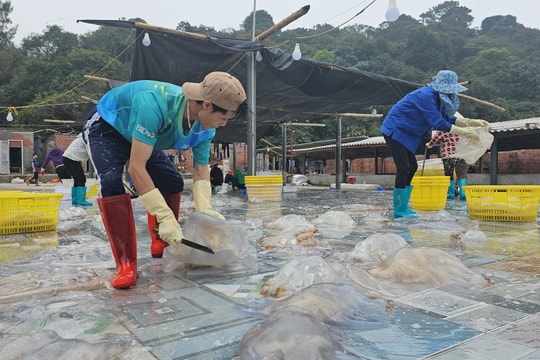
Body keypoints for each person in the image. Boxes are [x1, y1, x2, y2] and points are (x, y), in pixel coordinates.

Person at [83, 71, 247, 289]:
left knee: (172, 182)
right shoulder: (155, 105)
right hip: (109, 127)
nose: (224, 124)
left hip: (145, 137)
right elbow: (136, 168)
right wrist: (164, 215)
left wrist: (205, 209)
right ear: (207, 105)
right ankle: (125, 263)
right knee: (112, 183)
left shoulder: (205, 128)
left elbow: (200, 169)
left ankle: (161, 240)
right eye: (223, 117)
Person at [380, 70, 489, 219]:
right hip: (395, 130)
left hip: (408, 133)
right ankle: (399, 210)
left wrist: (469, 122)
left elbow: (446, 118)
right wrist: (466, 132)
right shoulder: (426, 95)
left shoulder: (437, 99)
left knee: (412, 167)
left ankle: (404, 206)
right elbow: (437, 123)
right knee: (404, 167)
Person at [425, 129, 469, 200]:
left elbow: (435, 138)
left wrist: (429, 145)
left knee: (449, 175)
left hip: (448, 156)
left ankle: (451, 194)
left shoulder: (443, 128)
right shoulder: (461, 128)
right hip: (461, 154)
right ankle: (463, 194)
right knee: (462, 174)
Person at [62, 134, 93, 207]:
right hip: (71, 159)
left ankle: (76, 200)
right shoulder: (88, 138)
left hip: (69, 158)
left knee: (77, 179)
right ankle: (80, 200)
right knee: (81, 179)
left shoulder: (83, 137)